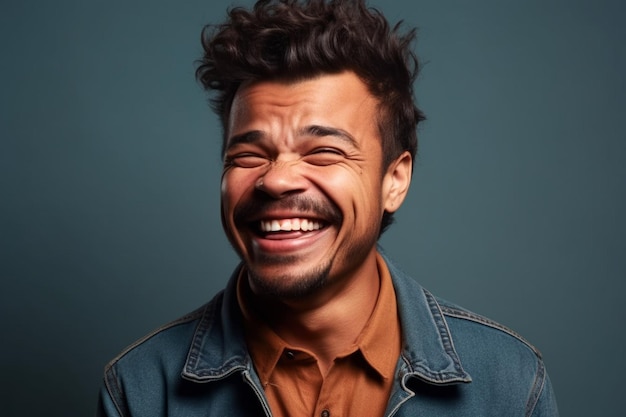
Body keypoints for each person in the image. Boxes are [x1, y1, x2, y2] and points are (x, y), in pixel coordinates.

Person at [96, 0, 559, 416]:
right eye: (248, 156)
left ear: (393, 180)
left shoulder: (511, 385)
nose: (275, 179)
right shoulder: (139, 390)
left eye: (323, 152)